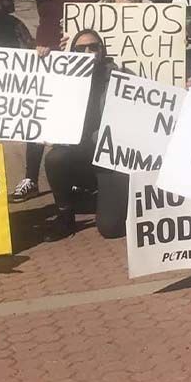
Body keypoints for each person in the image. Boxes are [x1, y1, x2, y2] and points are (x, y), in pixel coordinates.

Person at [12, 0, 103, 203]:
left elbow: (78, 14)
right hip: (45, 54)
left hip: (76, 57)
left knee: (72, 117)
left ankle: (74, 179)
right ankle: (30, 178)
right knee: (38, 114)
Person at [42, 31, 127, 241]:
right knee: (54, 159)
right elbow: (35, 86)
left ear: (102, 50)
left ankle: (106, 198)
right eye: (80, 49)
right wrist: (42, 58)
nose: (88, 52)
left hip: (109, 160)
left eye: (93, 47)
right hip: (79, 155)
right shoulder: (63, 77)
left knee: (110, 228)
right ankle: (65, 215)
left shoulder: (121, 76)